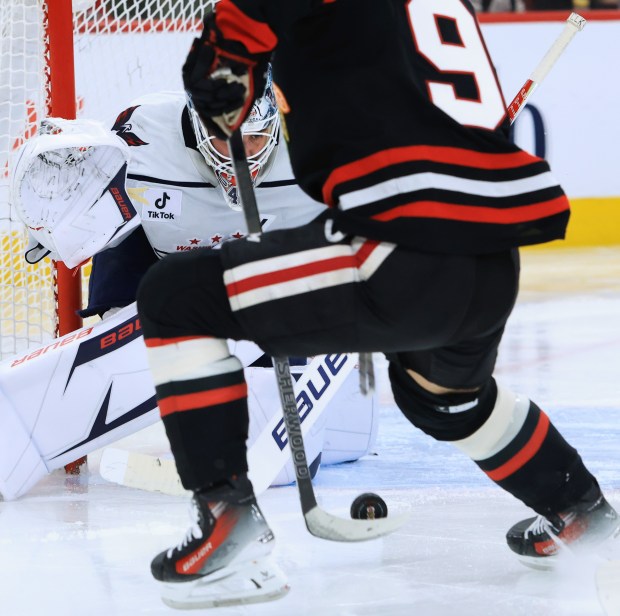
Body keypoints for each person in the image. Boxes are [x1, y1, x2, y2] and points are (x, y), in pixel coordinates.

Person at [134, 0, 619, 609]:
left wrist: (219, 74)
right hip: (491, 257)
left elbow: (228, 52)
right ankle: (582, 512)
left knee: (174, 296)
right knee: (442, 401)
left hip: (401, 246)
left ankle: (224, 520)